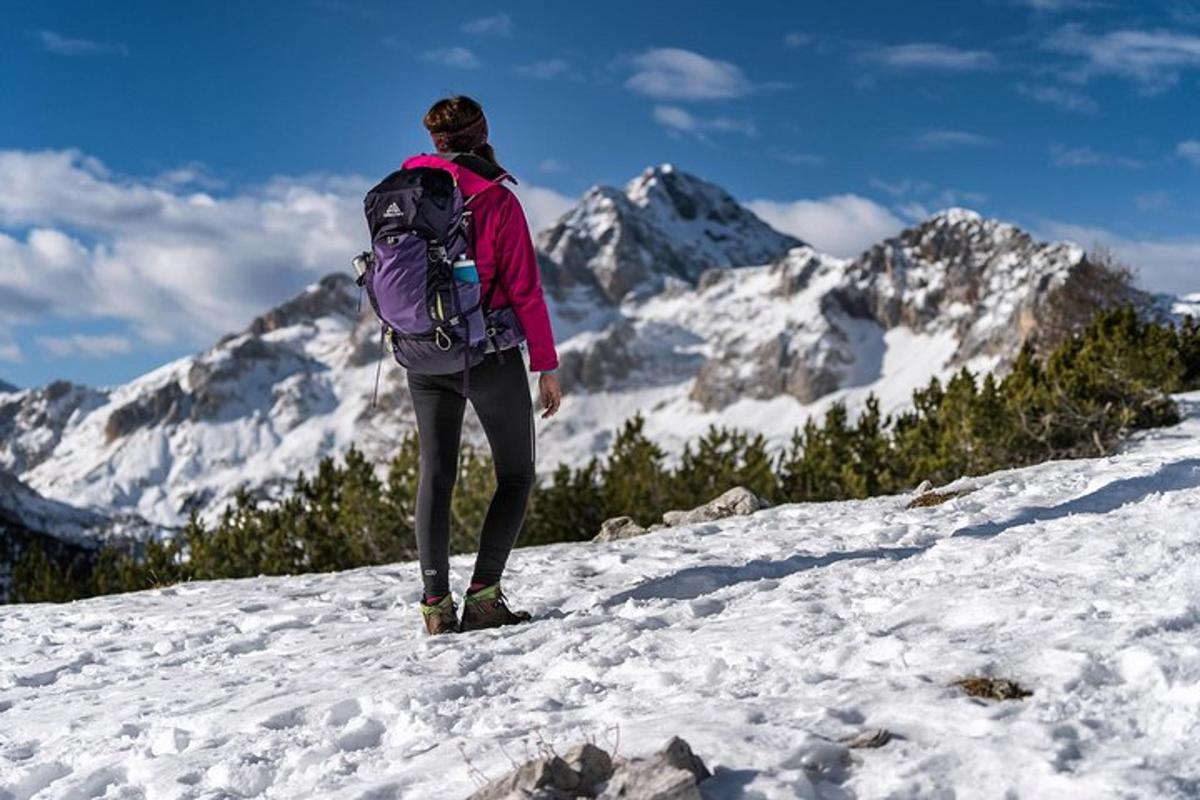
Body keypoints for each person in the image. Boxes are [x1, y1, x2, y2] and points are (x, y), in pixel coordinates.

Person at [403, 96, 562, 635]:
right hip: (486, 353)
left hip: (422, 353)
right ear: (482, 134)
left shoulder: (403, 190)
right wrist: (546, 364)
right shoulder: (495, 199)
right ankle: (484, 597)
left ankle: (434, 606)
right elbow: (525, 291)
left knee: (436, 472)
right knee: (515, 474)